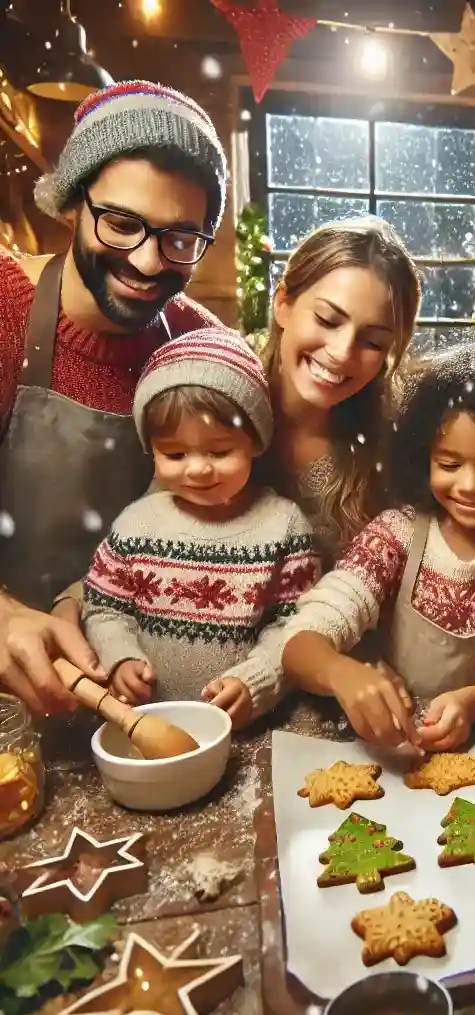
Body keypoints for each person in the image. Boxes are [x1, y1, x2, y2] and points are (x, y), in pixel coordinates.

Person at [0, 80, 228, 715]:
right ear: (74, 203)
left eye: (181, 238)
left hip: (146, 696)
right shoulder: (4, 305)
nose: (149, 262)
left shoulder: (198, 342)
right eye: (122, 223)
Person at [282, 344, 475, 751]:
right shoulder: (395, 533)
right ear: (423, 459)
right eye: (450, 465)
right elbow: (301, 642)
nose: (470, 485)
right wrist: (341, 673)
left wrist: (474, 703)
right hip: (399, 739)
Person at [80, 328, 320, 728]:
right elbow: (103, 608)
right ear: (151, 449)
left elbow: (296, 626)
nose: (197, 468)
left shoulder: (284, 526)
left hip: (248, 731)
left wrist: (256, 681)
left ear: (256, 441)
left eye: (219, 450)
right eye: (174, 453)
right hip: (150, 724)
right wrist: (119, 656)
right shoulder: (135, 525)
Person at [256, 218, 421, 562]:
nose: (343, 353)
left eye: (373, 342)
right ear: (283, 302)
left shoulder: (396, 445)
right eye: (328, 320)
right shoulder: (216, 400)